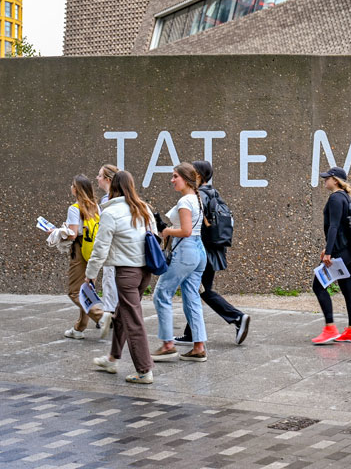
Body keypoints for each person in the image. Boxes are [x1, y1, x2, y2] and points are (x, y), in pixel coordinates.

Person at [86, 171, 157, 384]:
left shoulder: (111, 212)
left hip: (126, 272)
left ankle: (144, 370)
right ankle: (112, 358)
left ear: (114, 186)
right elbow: (153, 236)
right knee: (122, 314)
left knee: (133, 320)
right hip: (145, 270)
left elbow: (100, 248)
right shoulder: (143, 208)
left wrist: (90, 275)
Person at [174, 161, 250, 346]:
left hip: (202, 251)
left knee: (202, 290)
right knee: (197, 290)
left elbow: (192, 227)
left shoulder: (198, 196)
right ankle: (191, 333)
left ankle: (237, 317)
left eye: (192, 174)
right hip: (212, 251)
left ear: (198, 176)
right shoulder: (214, 193)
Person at [151, 162, 209, 362]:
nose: (172, 180)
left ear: (186, 179)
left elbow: (185, 231)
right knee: (192, 297)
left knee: (161, 294)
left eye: (175, 176)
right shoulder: (196, 199)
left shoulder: (185, 202)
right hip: (199, 252)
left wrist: (166, 231)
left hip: (186, 251)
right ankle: (198, 346)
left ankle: (168, 345)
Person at [311, 167, 351, 344]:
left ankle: (330, 328)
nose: (325, 180)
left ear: (336, 180)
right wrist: (329, 248)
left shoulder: (335, 198)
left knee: (318, 285)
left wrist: (329, 251)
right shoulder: (346, 197)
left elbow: (334, 227)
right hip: (350, 250)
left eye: (328, 178)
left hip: (340, 252)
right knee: (348, 289)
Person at [62, 175, 104, 340]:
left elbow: (72, 235)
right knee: (87, 289)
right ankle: (79, 328)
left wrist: (56, 232)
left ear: (76, 189)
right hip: (93, 250)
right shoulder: (96, 207)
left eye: (72, 185)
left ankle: (102, 316)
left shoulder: (74, 208)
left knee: (74, 291)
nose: (71, 187)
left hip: (79, 249)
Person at [95, 163, 120, 339]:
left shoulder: (107, 201)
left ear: (107, 179)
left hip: (112, 247)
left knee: (110, 280)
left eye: (99, 175)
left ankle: (111, 315)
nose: (97, 178)